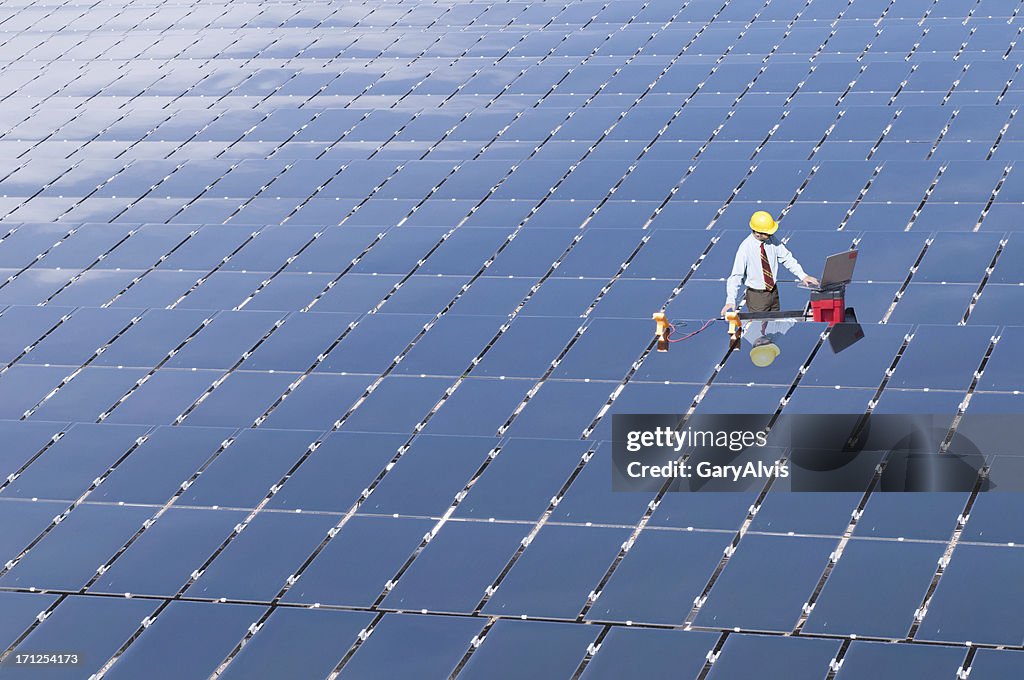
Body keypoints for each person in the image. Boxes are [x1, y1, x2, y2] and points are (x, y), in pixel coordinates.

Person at [721, 211, 819, 317]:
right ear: (758, 233)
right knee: (759, 330)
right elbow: (736, 276)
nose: (771, 234)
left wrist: (803, 275)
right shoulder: (745, 248)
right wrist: (730, 300)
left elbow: (786, 258)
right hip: (757, 296)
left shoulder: (772, 240)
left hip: (773, 292)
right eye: (768, 233)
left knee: (774, 327)